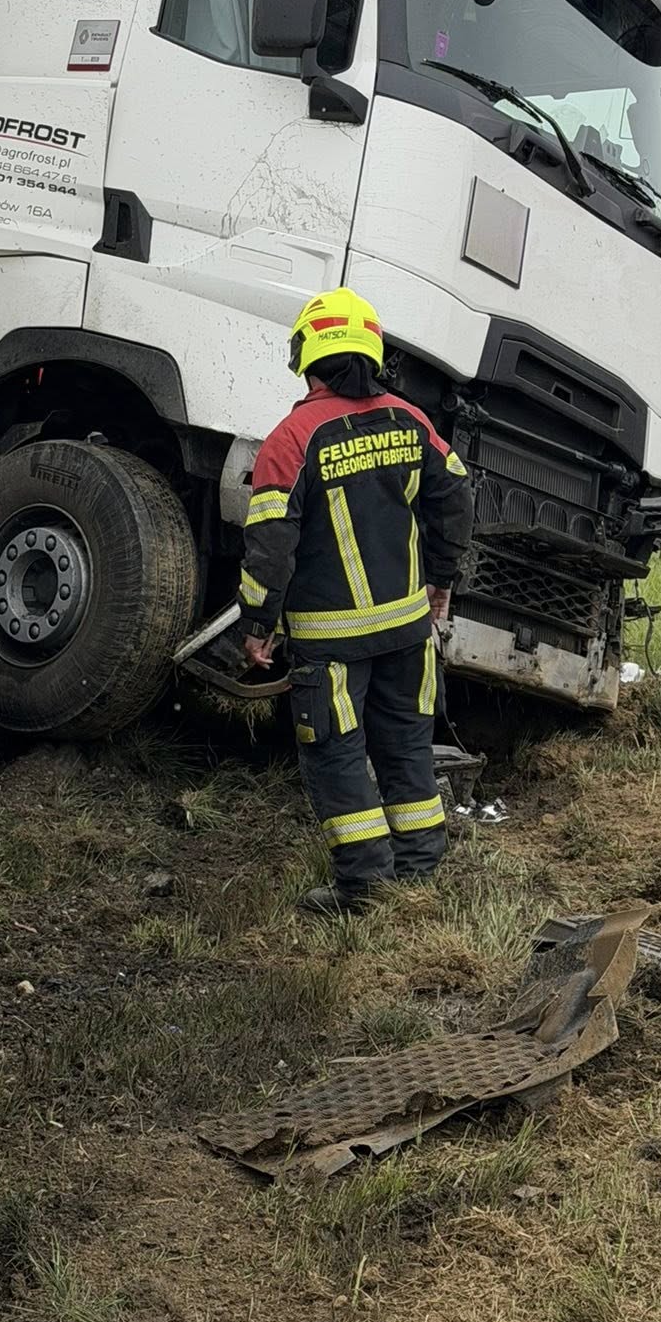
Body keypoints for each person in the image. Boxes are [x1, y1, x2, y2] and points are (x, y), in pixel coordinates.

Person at [237, 288, 474, 915]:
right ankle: (419, 870)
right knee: (406, 745)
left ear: (307, 358)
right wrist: (440, 578)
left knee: (337, 756)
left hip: (331, 640)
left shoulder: (292, 439)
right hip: (408, 630)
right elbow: (456, 495)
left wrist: (258, 623)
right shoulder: (411, 420)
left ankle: (366, 887)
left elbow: (269, 544)